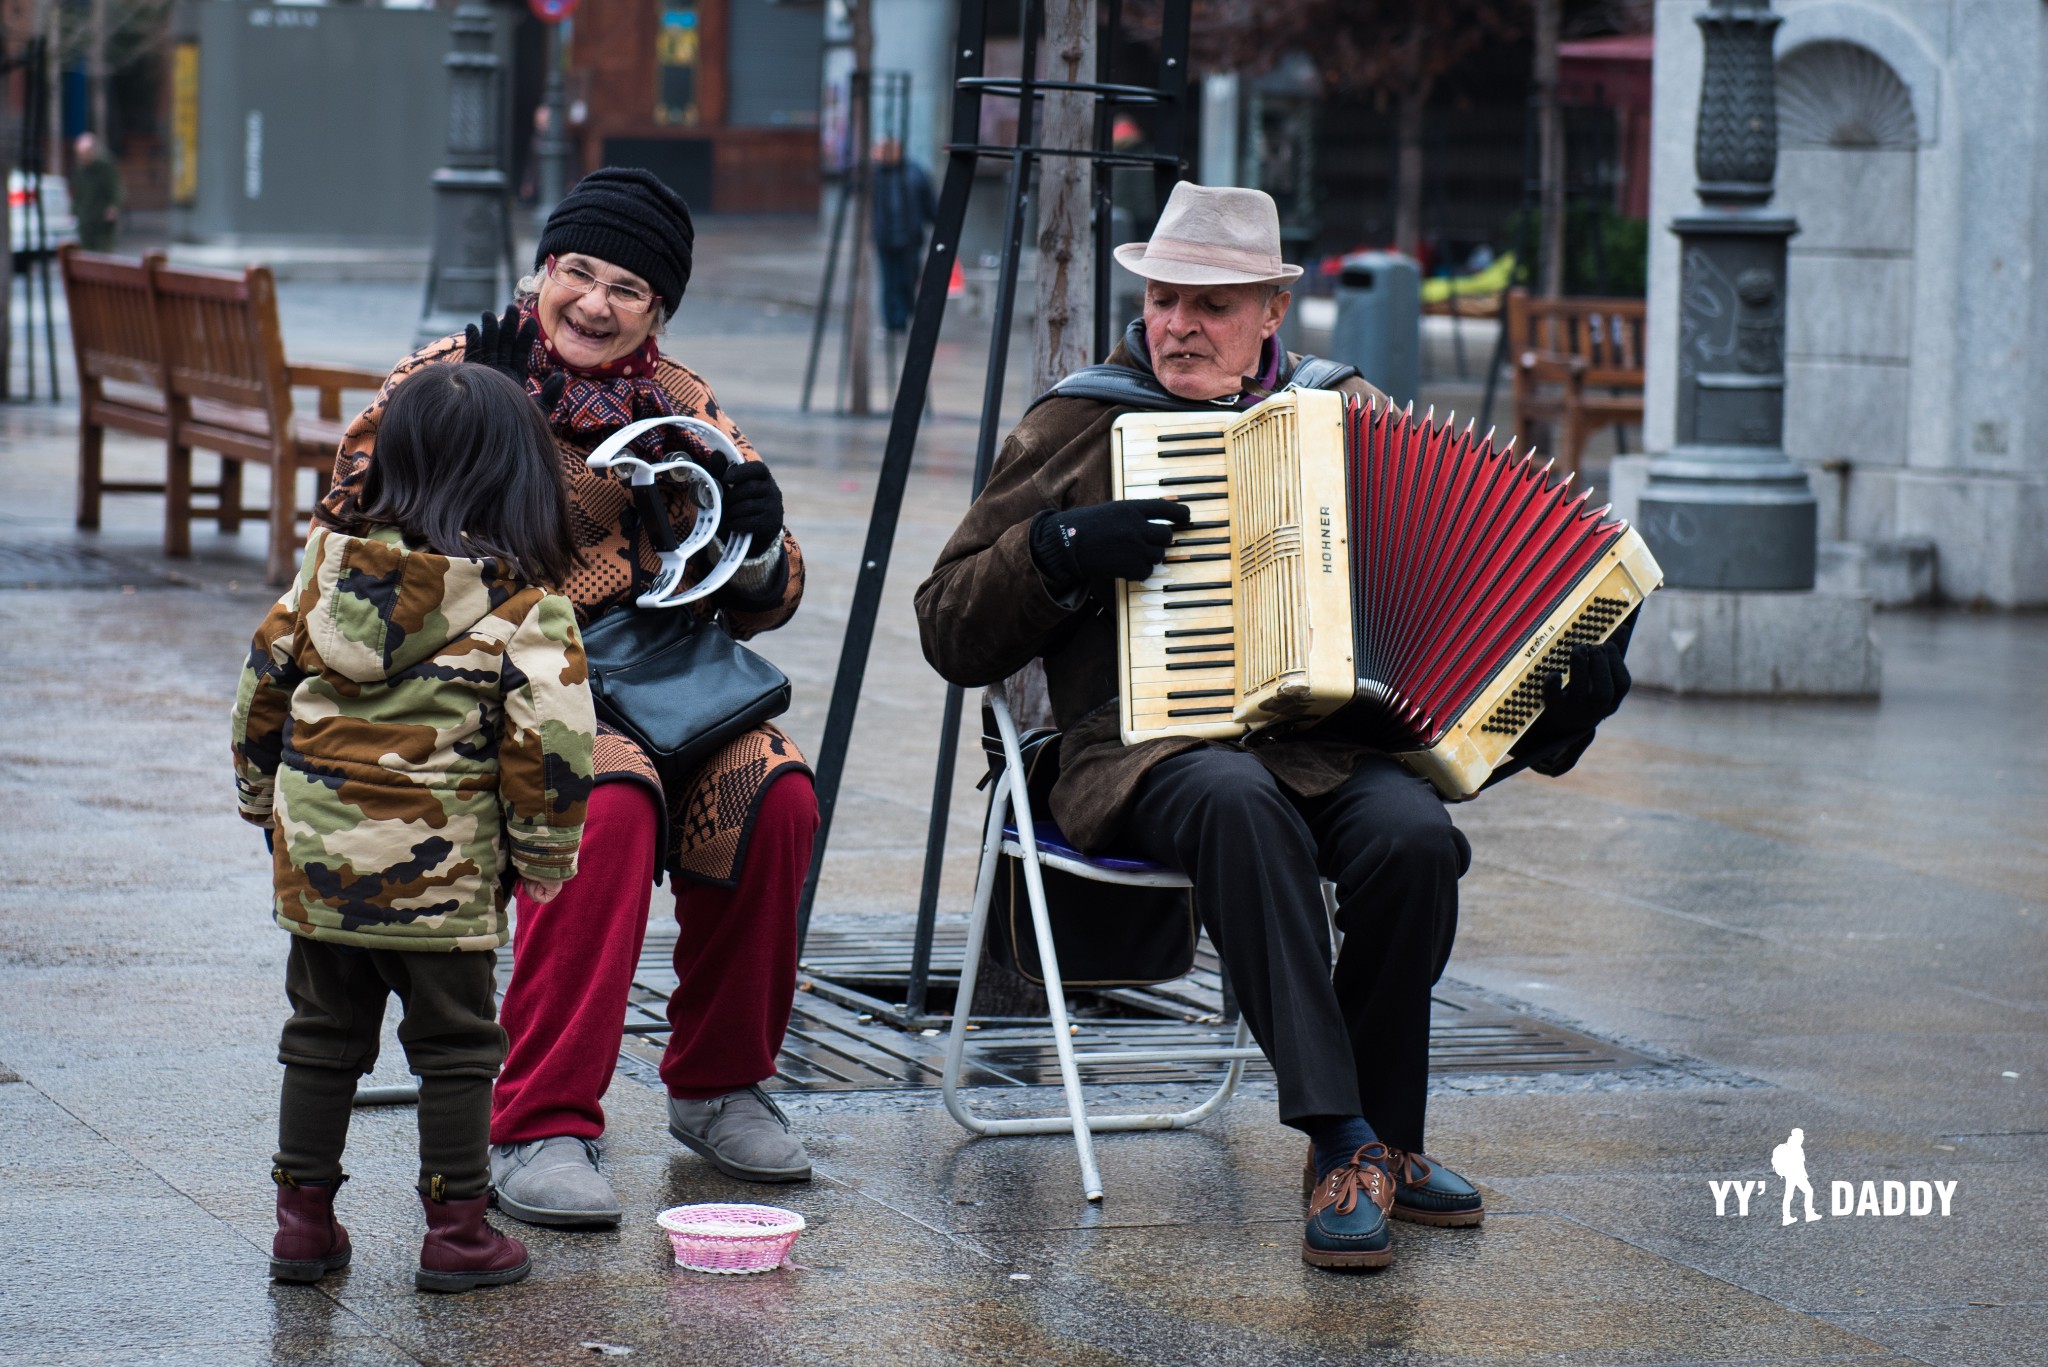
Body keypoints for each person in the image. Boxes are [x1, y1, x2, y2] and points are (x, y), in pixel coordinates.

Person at [914, 182, 1632, 1272]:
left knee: (1412, 837)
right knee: (1235, 798)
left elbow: (1447, 606)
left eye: (1209, 304)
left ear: (1267, 317)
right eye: (1161, 299)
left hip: (1319, 746)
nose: (1175, 326)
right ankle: (1338, 1138)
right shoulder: (1081, 420)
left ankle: (1386, 1135)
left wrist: (1558, 707)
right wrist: (1054, 550)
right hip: (1138, 753)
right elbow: (947, 625)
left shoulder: (1339, 410)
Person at [316, 167, 818, 1230]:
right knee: (608, 798)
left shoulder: (680, 403)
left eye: (627, 288)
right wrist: (471, 428)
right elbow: (351, 539)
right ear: (539, 270)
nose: (594, 302)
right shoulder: (447, 375)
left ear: (659, 310)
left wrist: (758, 532)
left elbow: (764, 592)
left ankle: (719, 1083)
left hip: (658, 683)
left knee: (775, 794)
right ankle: (541, 1117)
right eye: (576, 271)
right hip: (481, 688)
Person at [232, 363, 596, 1293]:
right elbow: (551, 746)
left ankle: (301, 1223)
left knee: (321, 1034)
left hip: (317, 867)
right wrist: (549, 854)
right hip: (440, 884)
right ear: (521, 477)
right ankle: (457, 1230)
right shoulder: (525, 608)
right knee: (457, 1048)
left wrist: (256, 795)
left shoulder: (326, 571)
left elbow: (260, 685)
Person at [871, 138, 936, 334]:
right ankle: (893, 323)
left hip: (910, 237)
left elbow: (929, 204)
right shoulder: (876, 175)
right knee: (889, 281)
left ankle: (907, 314)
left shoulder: (914, 173)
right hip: (885, 237)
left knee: (908, 279)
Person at [69, 132, 122, 253]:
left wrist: (114, 206)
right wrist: (72, 211)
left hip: (102, 219)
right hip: (86, 220)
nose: (83, 157)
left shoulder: (105, 166)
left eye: (85, 154)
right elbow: (78, 193)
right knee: (86, 252)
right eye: (80, 154)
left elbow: (116, 189)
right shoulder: (80, 169)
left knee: (104, 253)